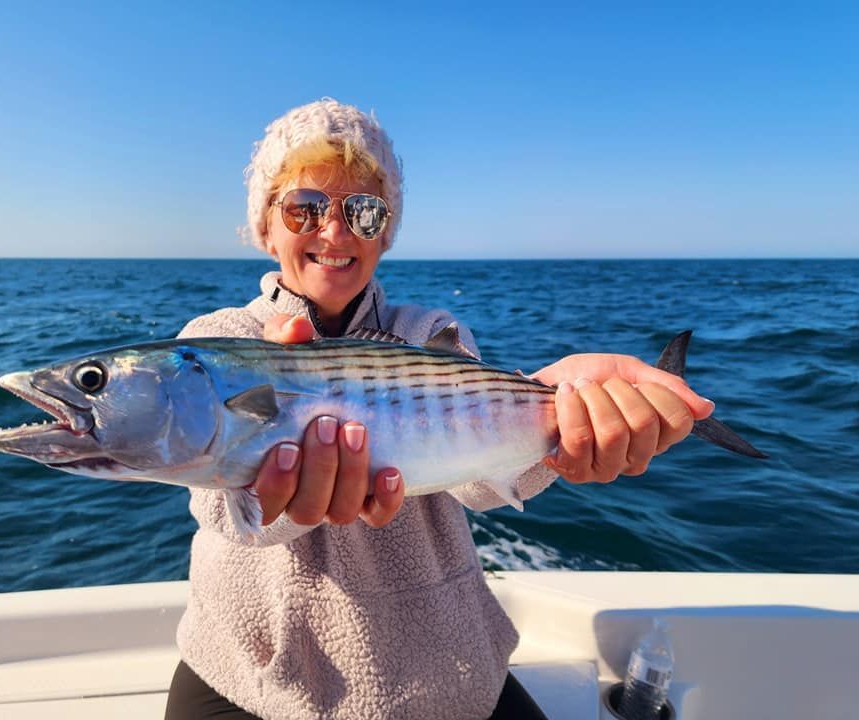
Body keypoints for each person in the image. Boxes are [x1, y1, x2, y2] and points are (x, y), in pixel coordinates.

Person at [164, 99, 713, 720]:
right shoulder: (219, 338)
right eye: (305, 208)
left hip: (441, 669)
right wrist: (269, 500)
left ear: (385, 231)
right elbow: (218, 506)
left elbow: (480, 480)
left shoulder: (429, 333)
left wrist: (562, 434)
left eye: (364, 212)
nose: (335, 232)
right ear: (266, 226)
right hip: (251, 674)